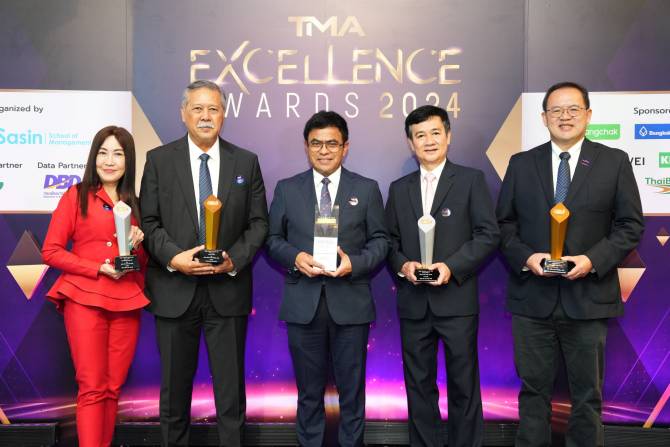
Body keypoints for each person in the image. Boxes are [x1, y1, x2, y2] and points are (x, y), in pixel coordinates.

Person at [496, 82, 644, 446]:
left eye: (573, 109)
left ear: (588, 115)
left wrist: (592, 260)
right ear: (544, 117)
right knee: (533, 393)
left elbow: (630, 225)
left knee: (587, 396)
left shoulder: (614, 161)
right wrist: (527, 257)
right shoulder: (521, 163)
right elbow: (503, 225)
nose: (565, 116)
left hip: (589, 297)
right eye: (556, 110)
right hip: (533, 300)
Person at [140, 80, 268, 446]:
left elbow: (259, 223)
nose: (205, 116)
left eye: (213, 109)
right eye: (197, 108)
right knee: (174, 394)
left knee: (231, 395)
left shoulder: (246, 161)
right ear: (183, 113)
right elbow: (148, 222)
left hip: (227, 291)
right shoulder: (159, 160)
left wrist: (233, 260)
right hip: (174, 291)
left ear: (224, 114)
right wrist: (174, 258)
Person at [266, 111, 389, 447]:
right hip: (303, 304)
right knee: (308, 394)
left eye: (332, 143)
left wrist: (355, 264)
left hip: (351, 303)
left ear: (345, 147)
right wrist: (295, 258)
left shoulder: (366, 189)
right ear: (306, 147)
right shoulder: (287, 189)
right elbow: (272, 239)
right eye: (316, 143)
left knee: (352, 392)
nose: (324, 150)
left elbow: (381, 241)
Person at [385, 105, 500, 447]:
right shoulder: (399, 188)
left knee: (464, 385)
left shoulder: (470, 180)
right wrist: (403, 266)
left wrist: (451, 267)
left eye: (435, 132)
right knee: (418, 386)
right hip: (414, 304)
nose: (429, 141)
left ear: (448, 136)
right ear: (411, 143)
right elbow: (387, 240)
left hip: (457, 302)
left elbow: (488, 235)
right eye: (420, 135)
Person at [42, 125, 148, 447]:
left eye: (118, 153)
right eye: (103, 153)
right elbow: (51, 251)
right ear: (94, 157)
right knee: (91, 387)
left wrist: (138, 244)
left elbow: (141, 263)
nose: (109, 161)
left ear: (128, 160)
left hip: (127, 301)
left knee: (112, 388)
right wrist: (97, 268)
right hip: (84, 298)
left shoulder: (137, 204)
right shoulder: (76, 195)